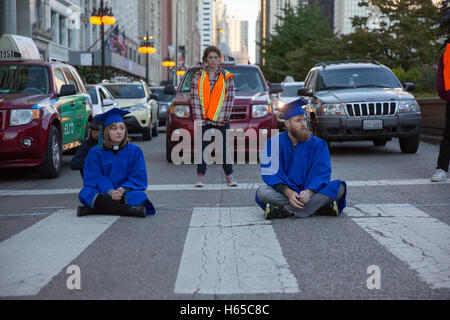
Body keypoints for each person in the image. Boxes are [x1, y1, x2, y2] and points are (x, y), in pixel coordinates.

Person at [255, 98, 347, 219]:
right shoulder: (273, 143)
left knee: (339, 187)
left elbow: (322, 172)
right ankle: (318, 208)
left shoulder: (318, 144)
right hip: (285, 192)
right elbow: (269, 172)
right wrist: (288, 192)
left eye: (304, 119)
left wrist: (309, 192)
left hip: (311, 192)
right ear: (287, 123)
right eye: (298, 121)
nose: (304, 124)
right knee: (262, 191)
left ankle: (285, 210)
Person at [77, 108, 156, 218]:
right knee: (86, 192)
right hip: (103, 192)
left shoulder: (135, 151)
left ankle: (94, 210)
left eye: (122, 128)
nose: (119, 132)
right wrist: (110, 191)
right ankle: (129, 211)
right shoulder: (95, 152)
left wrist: (122, 190)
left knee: (139, 196)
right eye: (114, 129)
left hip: (125, 193)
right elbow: (94, 177)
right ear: (106, 131)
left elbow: (138, 176)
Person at [191, 45, 237, 187]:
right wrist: (200, 119)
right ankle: (200, 178)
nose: (213, 60)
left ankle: (230, 177)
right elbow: (195, 98)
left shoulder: (226, 76)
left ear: (219, 59)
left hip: (222, 119)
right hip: (203, 119)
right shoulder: (198, 76)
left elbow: (229, 98)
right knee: (203, 148)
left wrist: (223, 118)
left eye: (216, 57)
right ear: (205, 59)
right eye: (210, 57)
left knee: (224, 148)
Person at [431, 39, 450, 182]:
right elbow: (442, 76)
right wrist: (446, 95)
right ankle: (442, 168)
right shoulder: (448, 51)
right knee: (449, 135)